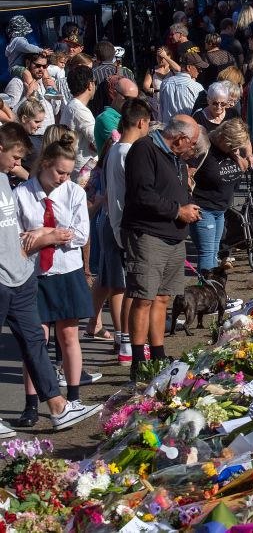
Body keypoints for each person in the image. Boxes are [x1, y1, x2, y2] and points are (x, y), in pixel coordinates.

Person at [0, 123, 102, 432]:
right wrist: (43, 237)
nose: (19, 166)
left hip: (21, 276)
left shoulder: (4, 181)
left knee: (35, 341)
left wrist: (45, 235)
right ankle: (38, 405)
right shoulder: (18, 189)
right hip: (6, 276)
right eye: (16, 158)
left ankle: (59, 407)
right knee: (36, 339)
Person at [122, 116, 202, 381]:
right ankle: (137, 359)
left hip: (173, 236)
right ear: (179, 139)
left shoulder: (176, 158)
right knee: (143, 297)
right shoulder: (144, 149)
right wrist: (178, 211)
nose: (192, 149)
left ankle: (157, 353)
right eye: (191, 144)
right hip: (148, 234)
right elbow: (142, 193)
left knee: (162, 298)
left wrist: (186, 207)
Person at [104, 98, 153, 365]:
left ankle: (126, 340)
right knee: (136, 289)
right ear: (141, 122)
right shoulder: (127, 152)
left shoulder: (115, 149)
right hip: (129, 226)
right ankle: (129, 344)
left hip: (119, 222)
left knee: (129, 286)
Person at [189, 118, 251, 271]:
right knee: (207, 254)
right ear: (223, 137)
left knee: (214, 253)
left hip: (220, 210)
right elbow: (188, 176)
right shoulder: (204, 148)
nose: (234, 149)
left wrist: (241, 157)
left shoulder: (230, 151)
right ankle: (207, 290)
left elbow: (242, 167)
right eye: (232, 145)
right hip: (204, 208)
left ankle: (211, 291)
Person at [60, 65, 97, 184]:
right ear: (90, 85)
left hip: (77, 168)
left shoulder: (72, 106)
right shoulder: (80, 110)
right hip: (83, 172)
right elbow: (97, 139)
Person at [5, 53, 60, 132]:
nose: (41, 69)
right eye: (38, 65)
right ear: (27, 63)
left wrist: (53, 89)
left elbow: (56, 110)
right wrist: (27, 96)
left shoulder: (46, 82)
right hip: (30, 136)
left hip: (49, 136)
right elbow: (9, 116)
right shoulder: (17, 82)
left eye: (44, 66)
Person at [158, 52, 208, 125]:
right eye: (198, 68)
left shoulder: (165, 83)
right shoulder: (197, 87)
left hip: (168, 130)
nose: (200, 71)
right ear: (189, 67)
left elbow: (161, 109)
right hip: (188, 130)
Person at [94, 76, 138, 155]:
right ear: (114, 93)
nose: (131, 103)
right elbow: (123, 147)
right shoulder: (105, 118)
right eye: (127, 98)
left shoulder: (129, 116)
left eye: (134, 100)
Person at [8, 97, 45, 185]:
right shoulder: (16, 138)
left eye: (41, 121)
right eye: (36, 121)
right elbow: (14, 167)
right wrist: (32, 180)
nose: (40, 125)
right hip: (17, 185)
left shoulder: (27, 136)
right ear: (24, 119)